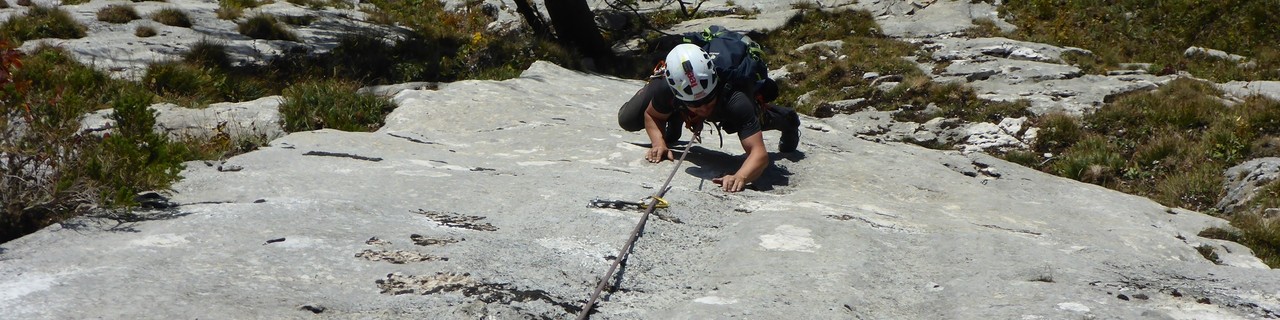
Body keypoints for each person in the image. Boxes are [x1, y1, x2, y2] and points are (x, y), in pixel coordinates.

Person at [617, 43, 801, 192]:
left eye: (707, 100)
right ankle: (677, 115)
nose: (703, 108)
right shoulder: (666, 88)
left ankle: (787, 118)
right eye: (696, 104)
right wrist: (659, 143)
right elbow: (652, 115)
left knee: (755, 120)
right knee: (628, 119)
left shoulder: (736, 100)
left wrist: (740, 176)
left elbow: (759, 154)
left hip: (725, 106)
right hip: (680, 100)